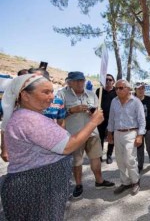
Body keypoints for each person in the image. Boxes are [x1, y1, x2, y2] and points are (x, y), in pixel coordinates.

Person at [0, 74, 104, 220]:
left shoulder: (29, 115)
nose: (51, 96)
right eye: (45, 92)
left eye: (51, 92)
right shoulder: (29, 119)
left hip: (40, 187)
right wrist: (93, 122)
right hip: (36, 189)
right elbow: (68, 146)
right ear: (25, 95)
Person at [57, 71, 114, 199]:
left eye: (82, 80)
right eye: (76, 80)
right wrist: (71, 110)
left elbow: (98, 112)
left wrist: (94, 113)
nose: (80, 83)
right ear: (69, 82)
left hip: (92, 133)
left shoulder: (91, 94)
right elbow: (57, 115)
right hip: (74, 135)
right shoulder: (61, 94)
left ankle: (99, 181)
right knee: (77, 161)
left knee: (96, 158)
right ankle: (78, 185)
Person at [107, 80, 146, 196]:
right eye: (116, 88)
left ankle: (135, 181)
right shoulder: (114, 101)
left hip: (131, 133)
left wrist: (140, 135)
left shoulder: (136, 102)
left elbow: (142, 120)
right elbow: (111, 118)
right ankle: (125, 182)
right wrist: (109, 133)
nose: (117, 90)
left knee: (130, 159)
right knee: (119, 160)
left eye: (120, 88)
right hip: (117, 133)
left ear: (128, 89)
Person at [134, 82, 150, 173]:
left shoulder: (149, 99)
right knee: (139, 148)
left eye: (142, 88)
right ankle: (140, 165)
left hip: (149, 127)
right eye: (139, 89)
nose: (141, 90)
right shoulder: (133, 100)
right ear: (135, 90)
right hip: (137, 129)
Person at [96, 74, 117, 164]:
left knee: (111, 137)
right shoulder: (99, 91)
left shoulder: (116, 92)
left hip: (113, 119)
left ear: (113, 81)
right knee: (99, 138)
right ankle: (99, 155)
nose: (108, 81)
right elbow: (95, 103)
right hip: (101, 118)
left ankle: (109, 155)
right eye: (106, 80)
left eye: (110, 80)